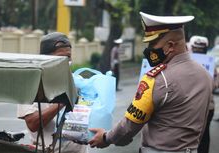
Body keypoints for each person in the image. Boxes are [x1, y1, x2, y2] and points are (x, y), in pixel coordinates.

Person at [88, 12, 213, 153]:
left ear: (170, 46)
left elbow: (129, 126)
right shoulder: (206, 76)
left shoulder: (158, 79)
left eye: (153, 43)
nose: (149, 49)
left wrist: (106, 138)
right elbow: (202, 126)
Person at [17, 32, 87, 153]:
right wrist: (62, 102)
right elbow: (33, 123)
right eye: (61, 58)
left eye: (68, 57)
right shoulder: (31, 84)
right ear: (46, 59)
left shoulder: (77, 81)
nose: (66, 61)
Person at [189, 35, 215, 153]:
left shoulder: (186, 63)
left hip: (190, 107)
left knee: (188, 136)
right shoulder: (211, 64)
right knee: (204, 136)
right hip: (207, 106)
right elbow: (215, 85)